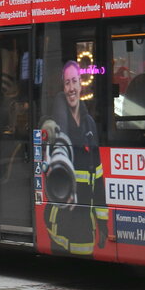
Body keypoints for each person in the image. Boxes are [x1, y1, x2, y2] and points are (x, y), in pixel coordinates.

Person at [43, 60, 108, 255]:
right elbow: (44, 123)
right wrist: (46, 128)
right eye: (67, 83)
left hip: (85, 228)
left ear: (81, 84)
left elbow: (97, 178)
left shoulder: (90, 125)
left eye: (74, 82)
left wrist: (102, 223)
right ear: (63, 87)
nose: (71, 88)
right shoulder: (56, 120)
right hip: (60, 225)